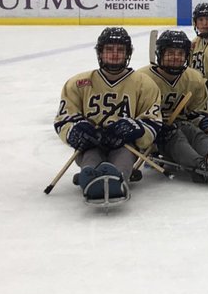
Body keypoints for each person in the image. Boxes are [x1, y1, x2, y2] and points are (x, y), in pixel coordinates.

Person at [54, 27, 163, 202]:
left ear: (128, 54)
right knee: (90, 155)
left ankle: (117, 179)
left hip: (124, 144)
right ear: (100, 53)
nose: (114, 54)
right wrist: (76, 131)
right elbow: (64, 118)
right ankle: (90, 178)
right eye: (109, 49)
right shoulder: (78, 83)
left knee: (124, 157)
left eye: (120, 50)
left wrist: (136, 129)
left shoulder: (144, 84)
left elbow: (153, 121)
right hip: (91, 143)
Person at [136, 30, 208, 183]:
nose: (176, 57)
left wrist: (203, 120)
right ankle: (201, 167)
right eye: (170, 53)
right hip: (153, 133)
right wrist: (153, 127)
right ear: (160, 54)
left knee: (194, 132)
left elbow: (198, 111)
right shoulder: (142, 79)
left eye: (180, 53)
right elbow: (132, 114)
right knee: (175, 137)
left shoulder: (194, 78)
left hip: (181, 124)